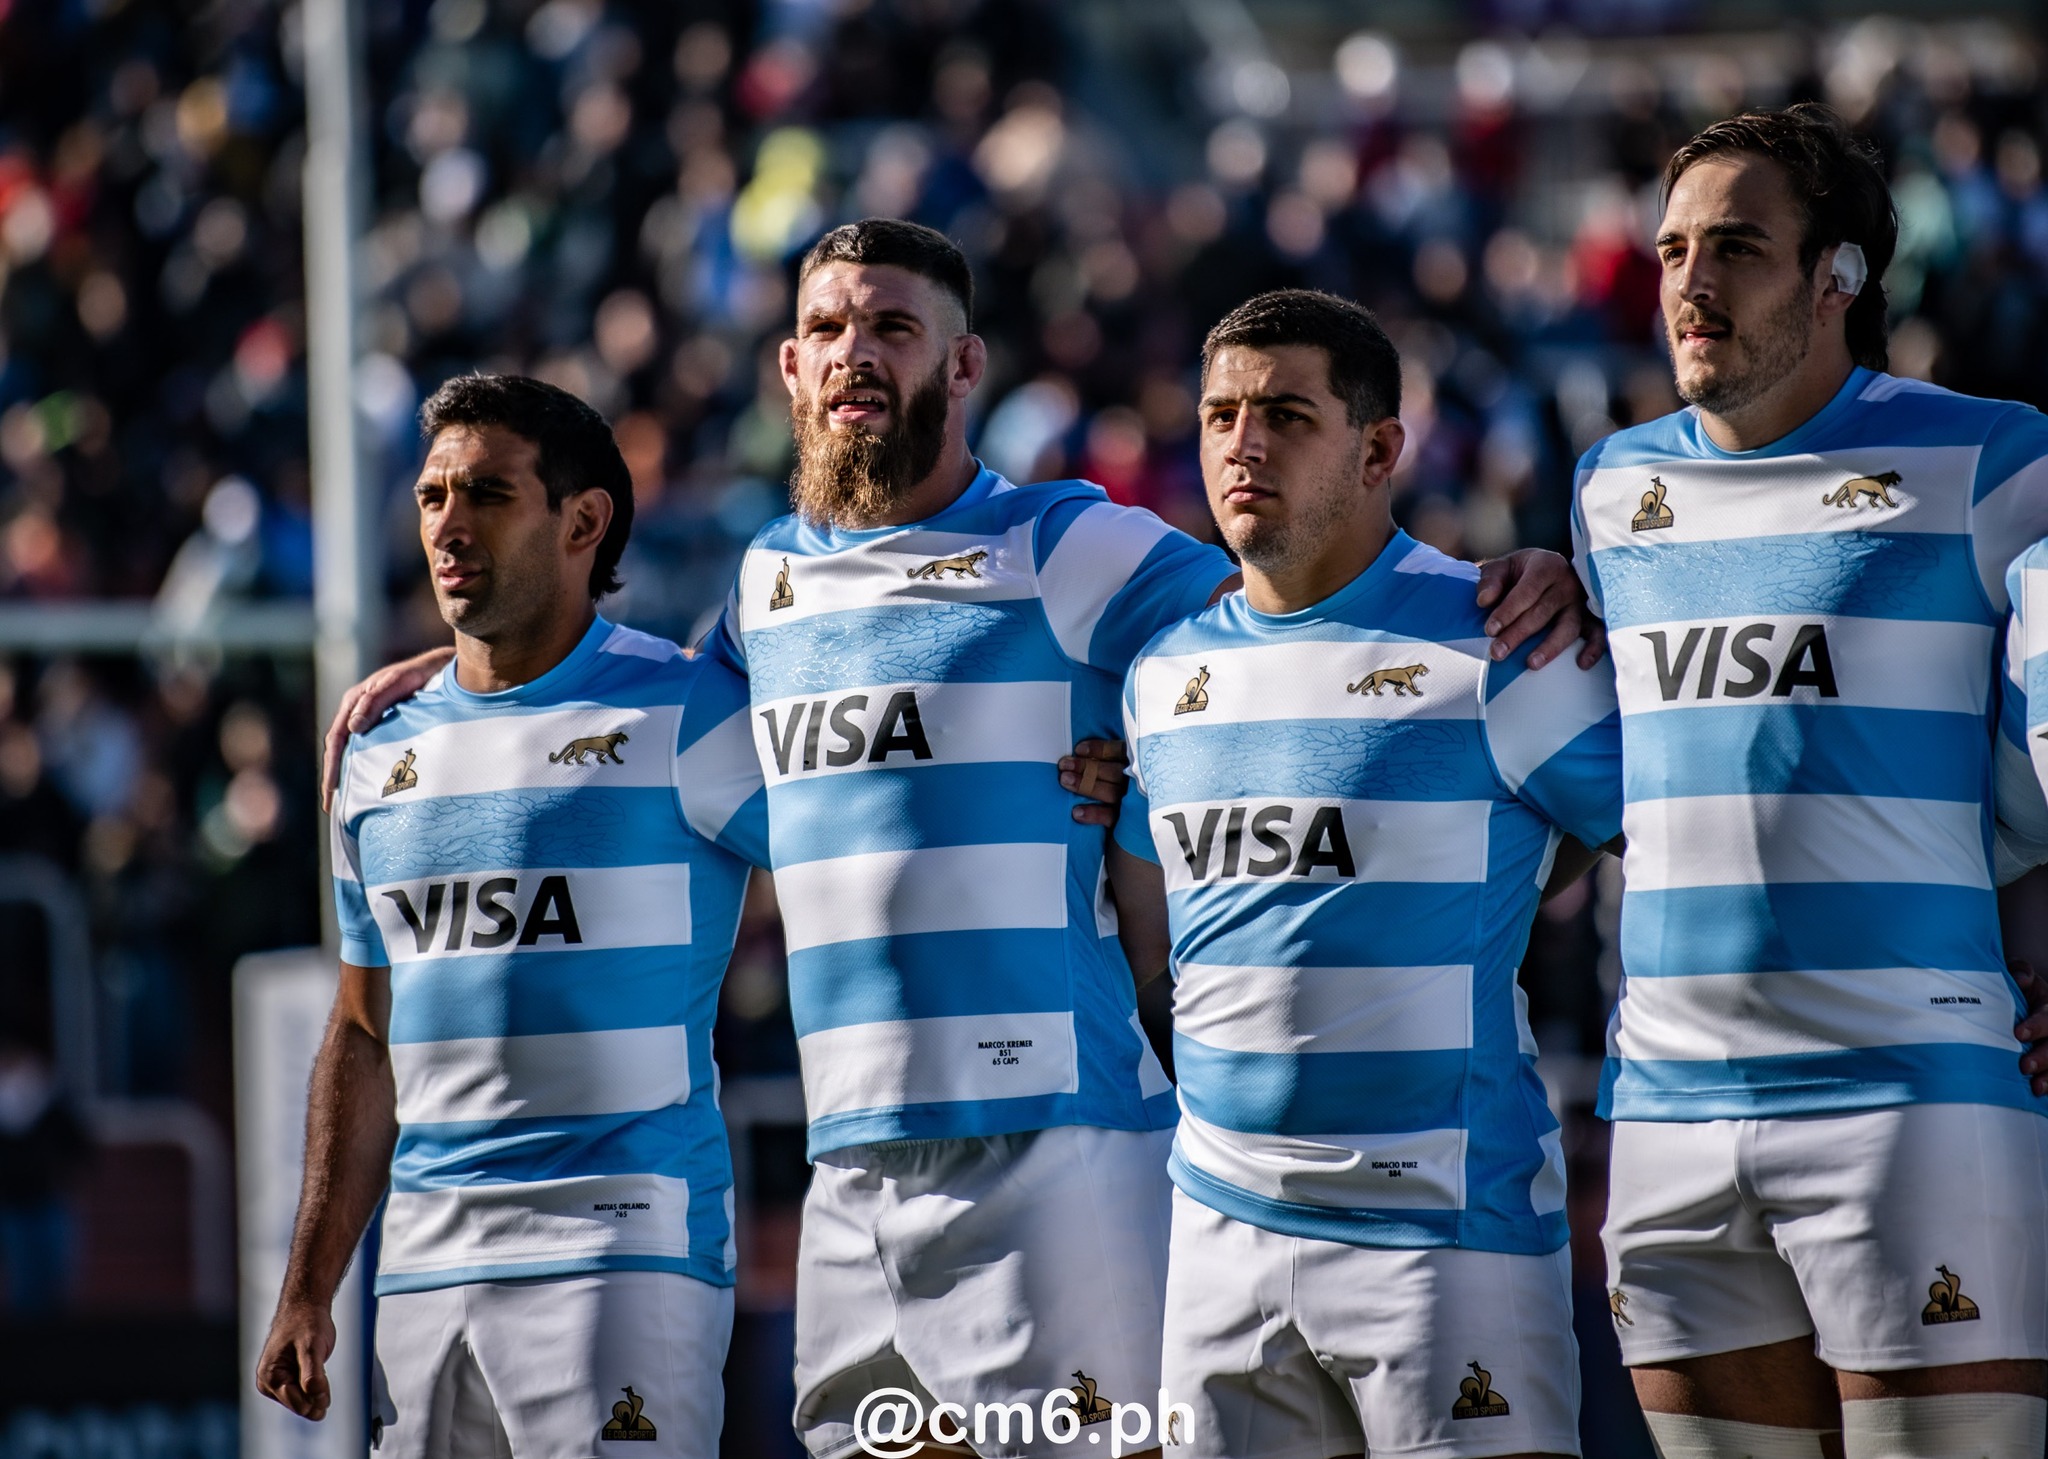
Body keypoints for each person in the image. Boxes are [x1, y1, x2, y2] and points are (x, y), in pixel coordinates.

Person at [323, 219, 1598, 1459]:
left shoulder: (1063, 540)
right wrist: (463, 660)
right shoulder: (761, 586)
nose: (854, 352)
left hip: (1056, 1146)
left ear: (963, 365)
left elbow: (1295, 601)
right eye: (826, 326)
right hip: (850, 1167)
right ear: (788, 365)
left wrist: (1527, 577)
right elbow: (604, 692)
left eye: (893, 325)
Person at [1574, 104, 2048, 1458]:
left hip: (1913, 1102)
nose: (1689, 283)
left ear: (1838, 275)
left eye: (1736, 247)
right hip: (1665, 1113)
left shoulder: (1997, 456)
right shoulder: (1609, 489)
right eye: (1670, 250)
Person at [1105, 289, 1622, 1459]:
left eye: (1285, 414)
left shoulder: (1501, 638)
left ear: (1379, 446)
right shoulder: (1157, 677)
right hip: (1216, 1235)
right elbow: (1149, 930)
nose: (1242, 442)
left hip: (1443, 1242)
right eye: (1219, 413)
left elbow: (1687, 841)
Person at [257, 375, 769, 1458]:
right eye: (433, 494)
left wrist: (1093, 773)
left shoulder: (688, 709)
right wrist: (306, 1286)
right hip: (426, 1266)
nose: (447, 521)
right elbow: (362, 1032)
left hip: (623, 1249)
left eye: (487, 493)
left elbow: (870, 826)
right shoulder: (376, 749)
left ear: (583, 521)